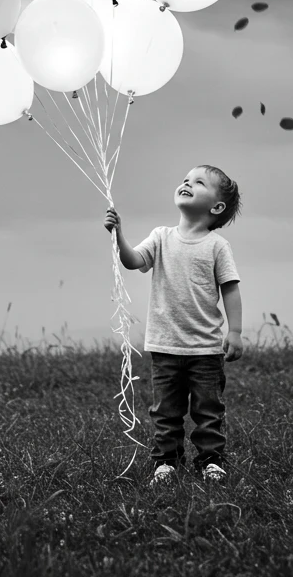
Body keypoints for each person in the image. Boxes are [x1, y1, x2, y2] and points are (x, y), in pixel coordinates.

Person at [103, 165, 243, 486]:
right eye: (185, 179)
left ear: (216, 207)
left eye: (198, 182)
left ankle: (210, 461)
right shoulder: (161, 237)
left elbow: (230, 288)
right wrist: (118, 234)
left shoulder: (216, 246)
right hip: (164, 346)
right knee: (166, 411)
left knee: (208, 411)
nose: (186, 183)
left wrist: (234, 331)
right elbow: (133, 261)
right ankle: (166, 462)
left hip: (205, 348)